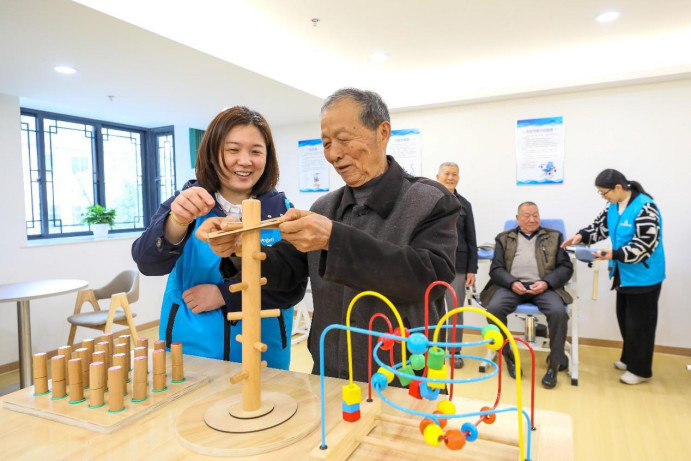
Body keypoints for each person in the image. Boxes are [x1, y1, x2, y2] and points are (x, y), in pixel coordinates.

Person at [197, 88, 459, 383]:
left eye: (344, 139)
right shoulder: (325, 207)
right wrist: (238, 247)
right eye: (326, 143)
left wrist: (334, 239)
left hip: (405, 378)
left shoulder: (428, 200)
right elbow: (287, 270)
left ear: (382, 132)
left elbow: (429, 280)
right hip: (330, 373)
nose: (334, 154)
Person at [131, 106, 305, 369]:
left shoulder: (283, 211)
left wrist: (226, 295)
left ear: (268, 158)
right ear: (212, 154)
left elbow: (293, 286)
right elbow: (148, 263)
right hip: (192, 352)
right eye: (233, 149)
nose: (245, 161)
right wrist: (178, 221)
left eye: (256, 151)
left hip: (264, 354)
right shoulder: (185, 203)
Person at [562, 169, 665, 385]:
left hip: (644, 276)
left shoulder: (646, 207)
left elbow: (645, 245)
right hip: (623, 274)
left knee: (641, 325)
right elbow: (600, 227)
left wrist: (613, 254)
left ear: (619, 187)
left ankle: (640, 370)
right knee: (626, 321)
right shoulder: (613, 206)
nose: (603, 197)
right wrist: (581, 236)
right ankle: (629, 359)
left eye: (604, 192)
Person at [480, 201, 573, 389]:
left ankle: (554, 364)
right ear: (517, 219)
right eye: (527, 216)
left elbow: (566, 267)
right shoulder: (504, 238)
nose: (532, 219)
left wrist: (546, 283)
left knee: (558, 313)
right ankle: (508, 357)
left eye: (535, 215)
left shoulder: (554, 237)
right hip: (511, 287)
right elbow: (496, 269)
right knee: (494, 309)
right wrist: (512, 282)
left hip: (545, 288)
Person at [435, 162, 478, 369]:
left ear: (458, 178)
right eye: (447, 173)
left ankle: (454, 351)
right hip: (431, 263)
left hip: (457, 266)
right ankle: (433, 349)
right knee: (432, 309)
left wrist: (472, 269)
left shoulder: (465, 205)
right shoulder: (429, 200)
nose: (450, 177)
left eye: (454, 174)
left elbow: (471, 239)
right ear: (438, 176)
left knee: (454, 310)